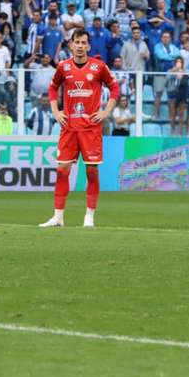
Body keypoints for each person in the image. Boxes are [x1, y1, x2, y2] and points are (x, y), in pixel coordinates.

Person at [39, 29, 119, 228]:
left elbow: (115, 87)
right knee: (61, 171)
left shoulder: (99, 67)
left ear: (89, 46)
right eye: (77, 42)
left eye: (84, 42)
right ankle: (58, 217)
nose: (81, 46)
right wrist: (56, 111)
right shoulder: (63, 67)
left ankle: (89, 217)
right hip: (69, 127)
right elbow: (52, 87)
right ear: (71, 45)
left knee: (91, 172)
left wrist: (106, 111)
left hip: (91, 128)